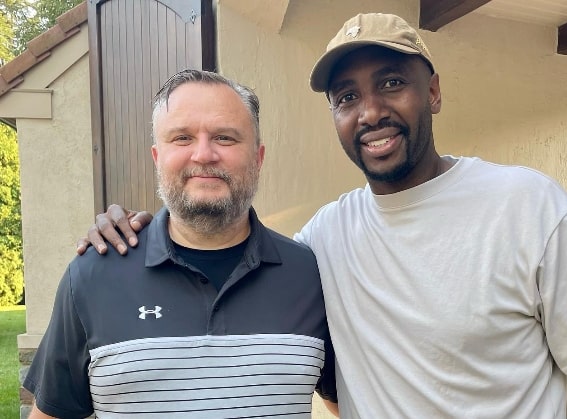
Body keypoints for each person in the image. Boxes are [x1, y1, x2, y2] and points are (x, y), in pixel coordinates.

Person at [78, 13, 567, 418]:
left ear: (435, 92)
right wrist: (138, 227)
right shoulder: (326, 238)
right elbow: (232, 244)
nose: (370, 111)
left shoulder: (529, 206)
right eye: (346, 97)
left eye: (392, 83)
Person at [25, 70, 336, 418]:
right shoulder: (92, 275)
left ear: (258, 158)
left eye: (225, 138)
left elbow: (353, 404)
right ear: (158, 158)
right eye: (182, 138)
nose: (203, 155)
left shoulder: (310, 275)